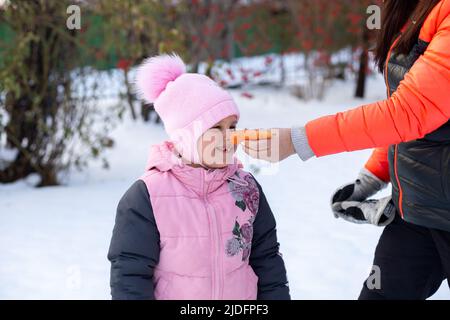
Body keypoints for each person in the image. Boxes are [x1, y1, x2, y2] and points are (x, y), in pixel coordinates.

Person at [244, 0, 450, 299]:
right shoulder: (415, 8)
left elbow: (408, 113)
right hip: (418, 214)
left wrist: (297, 140)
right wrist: (371, 177)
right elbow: (416, 119)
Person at [107, 54, 290, 300]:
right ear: (185, 137)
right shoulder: (148, 196)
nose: (229, 138)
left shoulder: (246, 189)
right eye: (215, 128)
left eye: (232, 127)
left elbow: (267, 259)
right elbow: (130, 274)